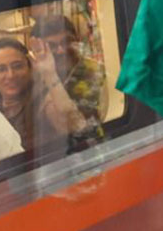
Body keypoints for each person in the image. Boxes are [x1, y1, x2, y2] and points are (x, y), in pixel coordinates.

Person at [0, 36, 86, 165]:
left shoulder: (43, 100)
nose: (10, 75)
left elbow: (75, 126)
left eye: (17, 66)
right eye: (0, 69)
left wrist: (50, 74)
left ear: (30, 68)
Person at [32, 13, 107, 149]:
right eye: (51, 46)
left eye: (66, 41)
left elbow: (77, 130)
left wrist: (51, 76)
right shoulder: (37, 73)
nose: (61, 50)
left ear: (76, 40)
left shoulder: (92, 72)